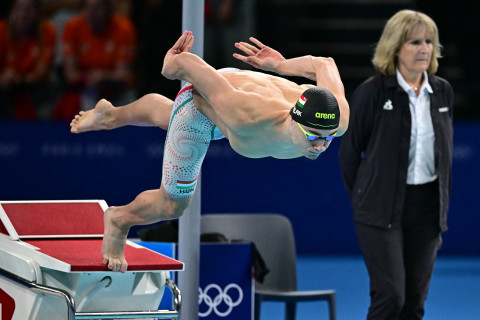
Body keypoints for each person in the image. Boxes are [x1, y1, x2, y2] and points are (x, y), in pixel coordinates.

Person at [70, 30, 349, 272]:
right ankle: (119, 220)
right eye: (313, 136)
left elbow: (323, 63)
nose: (320, 146)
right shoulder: (244, 113)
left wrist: (280, 64)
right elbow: (185, 67)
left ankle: (109, 116)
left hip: (242, 95)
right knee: (173, 204)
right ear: (294, 118)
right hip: (208, 102)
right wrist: (172, 64)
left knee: (170, 117)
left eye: (328, 138)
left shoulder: (337, 118)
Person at [338, 10, 453, 320]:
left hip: (426, 209)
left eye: (429, 41)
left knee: (414, 302)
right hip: (380, 208)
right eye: (415, 41)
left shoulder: (442, 91)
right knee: (391, 296)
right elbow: (349, 154)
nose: (424, 49)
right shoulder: (372, 93)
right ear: (395, 47)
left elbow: (444, 156)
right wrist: (364, 199)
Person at [52, 0, 136, 119]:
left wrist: (104, 76)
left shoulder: (124, 28)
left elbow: (123, 74)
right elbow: (70, 75)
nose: (92, 13)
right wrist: (89, 78)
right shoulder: (72, 27)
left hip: (119, 92)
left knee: (132, 121)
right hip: (87, 90)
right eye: (89, 8)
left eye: (98, 8)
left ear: (108, 9)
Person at [0, 0, 56, 119]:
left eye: (29, 10)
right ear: (12, 12)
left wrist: (18, 78)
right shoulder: (1, 30)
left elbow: (42, 72)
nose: (23, 14)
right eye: (19, 9)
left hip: (34, 87)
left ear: (37, 13)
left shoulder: (47, 31)